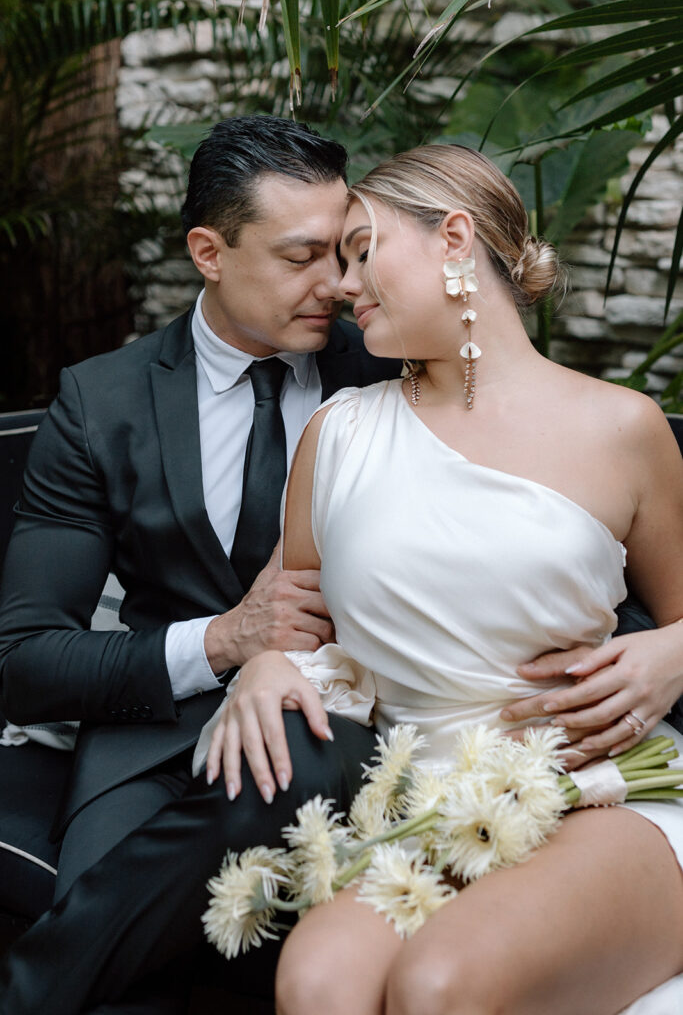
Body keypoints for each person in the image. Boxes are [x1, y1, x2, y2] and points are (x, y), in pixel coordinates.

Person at [197, 144, 683, 1015]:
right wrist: (267, 663)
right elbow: (296, 619)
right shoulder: (337, 435)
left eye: (359, 249)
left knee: (438, 986)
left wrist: (675, 651)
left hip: (602, 795)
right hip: (422, 805)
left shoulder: (624, 428)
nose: (341, 285)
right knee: (317, 984)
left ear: (452, 238)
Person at [0, 115, 399, 1012]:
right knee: (134, 968)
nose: (336, 284)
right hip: (149, 746)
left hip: (337, 731)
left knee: (284, 788)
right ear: (208, 252)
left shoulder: (388, 374)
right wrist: (224, 642)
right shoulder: (100, 403)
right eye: (301, 257)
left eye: (345, 253)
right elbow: (23, 665)